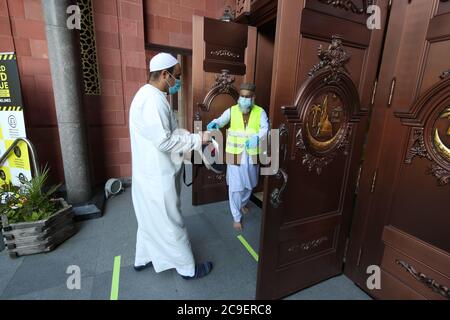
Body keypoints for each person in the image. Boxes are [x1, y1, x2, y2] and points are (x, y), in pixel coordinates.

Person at [129, 53, 213, 280]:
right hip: (157, 177)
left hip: (147, 175)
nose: (178, 82)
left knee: (148, 219)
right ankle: (187, 268)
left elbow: (170, 133)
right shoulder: (153, 100)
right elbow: (164, 141)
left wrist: (193, 136)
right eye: (177, 76)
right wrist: (198, 139)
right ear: (165, 75)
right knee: (170, 221)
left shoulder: (147, 96)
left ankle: (143, 258)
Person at [207, 83, 269, 231]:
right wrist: (214, 123)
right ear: (239, 97)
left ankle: (242, 204)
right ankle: (236, 216)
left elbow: (265, 128)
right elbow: (221, 120)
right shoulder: (232, 111)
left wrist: (257, 137)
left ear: (253, 98)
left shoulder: (260, 112)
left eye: (248, 97)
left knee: (250, 183)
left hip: (252, 154)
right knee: (235, 187)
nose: (244, 99)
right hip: (235, 154)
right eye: (242, 96)